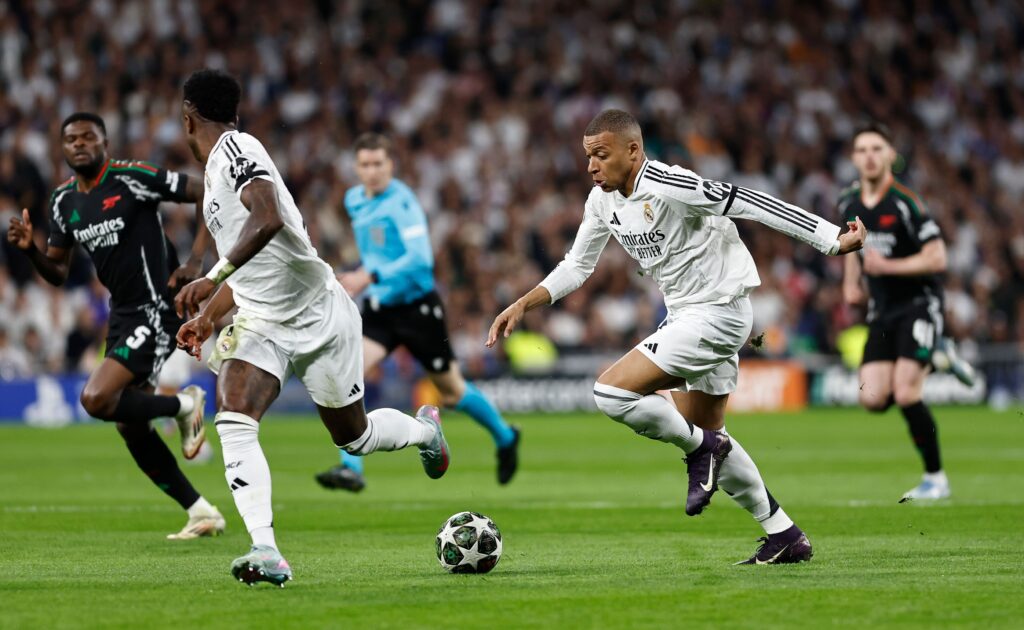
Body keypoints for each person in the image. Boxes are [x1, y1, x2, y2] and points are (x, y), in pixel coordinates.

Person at [487, 110, 866, 565]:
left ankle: (703, 449)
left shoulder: (670, 184)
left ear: (633, 150)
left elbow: (749, 201)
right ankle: (783, 533)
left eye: (601, 155)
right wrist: (523, 303)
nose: (591, 166)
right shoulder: (601, 202)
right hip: (687, 316)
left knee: (611, 393)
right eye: (588, 156)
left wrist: (830, 239)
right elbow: (577, 266)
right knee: (709, 431)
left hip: (719, 312)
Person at [173, 69, 451, 587]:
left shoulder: (237, 149)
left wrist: (210, 276)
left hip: (320, 313)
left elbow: (269, 217)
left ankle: (424, 431)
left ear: (187, 118)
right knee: (234, 415)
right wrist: (208, 314)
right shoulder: (214, 174)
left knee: (355, 438)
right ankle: (265, 549)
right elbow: (254, 268)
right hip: (263, 322)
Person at [6, 111, 225, 540]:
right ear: (62, 148)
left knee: (95, 398)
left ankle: (184, 406)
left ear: (105, 142)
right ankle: (201, 511)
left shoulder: (132, 177)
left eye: (88, 136)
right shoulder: (63, 202)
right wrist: (31, 251)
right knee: (129, 425)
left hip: (158, 305)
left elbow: (206, 191)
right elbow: (57, 271)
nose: (79, 144)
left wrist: (196, 260)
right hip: (122, 313)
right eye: (71, 139)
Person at [314, 133, 519, 493]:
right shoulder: (354, 199)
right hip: (380, 309)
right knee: (346, 377)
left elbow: (420, 259)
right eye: (365, 164)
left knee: (452, 392)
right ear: (356, 168)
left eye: (378, 163)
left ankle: (505, 437)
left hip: (418, 309)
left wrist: (368, 274)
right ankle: (351, 468)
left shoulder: (403, 202)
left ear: (391, 165)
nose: (372, 171)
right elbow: (377, 249)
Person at [840, 123, 962, 501]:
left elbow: (938, 257)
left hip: (919, 305)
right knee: (873, 398)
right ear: (853, 157)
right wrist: (850, 283)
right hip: (882, 311)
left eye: (877, 148)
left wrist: (888, 267)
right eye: (862, 149)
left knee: (907, 393)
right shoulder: (848, 202)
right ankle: (937, 357)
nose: (870, 156)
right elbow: (852, 247)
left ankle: (936, 478)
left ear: (891, 155)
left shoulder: (907, 202)